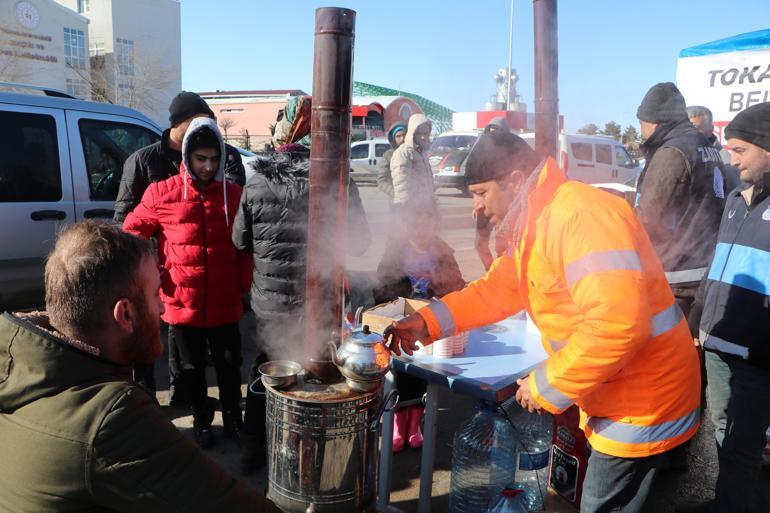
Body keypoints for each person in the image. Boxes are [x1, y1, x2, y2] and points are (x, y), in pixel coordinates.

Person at [385, 129, 702, 513]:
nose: (477, 209)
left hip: (644, 402)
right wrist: (426, 322)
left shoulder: (580, 216)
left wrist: (545, 385)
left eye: (482, 193)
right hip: (616, 391)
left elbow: (617, 324)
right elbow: (496, 290)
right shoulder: (536, 223)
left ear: (516, 181)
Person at [0, 220, 280, 513]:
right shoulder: (110, 415)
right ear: (125, 314)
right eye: (156, 294)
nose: (162, 308)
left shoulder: (17, 362)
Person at [232, 107, 371, 473]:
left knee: (265, 373)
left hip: (271, 305)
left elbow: (240, 240)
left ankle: (253, 450)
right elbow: (360, 243)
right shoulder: (337, 179)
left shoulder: (257, 180)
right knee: (316, 377)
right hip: (319, 306)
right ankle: (307, 461)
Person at [123, 118, 252, 450]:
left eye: (213, 159)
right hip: (182, 302)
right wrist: (154, 273)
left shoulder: (235, 195)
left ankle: (234, 420)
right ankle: (202, 419)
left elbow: (244, 247)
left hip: (226, 300)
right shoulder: (162, 192)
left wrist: (245, 285)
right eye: (200, 159)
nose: (208, 167)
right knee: (190, 367)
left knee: (229, 364)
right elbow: (132, 231)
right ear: (187, 157)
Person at [695, 102, 770, 513]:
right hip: (718, 339)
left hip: (758, 355)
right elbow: (717, 264)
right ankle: (729, 500)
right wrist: (700, 319)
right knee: (723, 430)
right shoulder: (736, 198)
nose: (731, 158)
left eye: (740, 150)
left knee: (744, 443)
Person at [373, 212, 465, 451]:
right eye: (415, 223)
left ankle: (415, 424)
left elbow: (457, 288)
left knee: (424, 376)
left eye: (427, 222)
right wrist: (400, 299)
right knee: (400, 377)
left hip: (430, 326)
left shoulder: (443, 253)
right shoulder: (396, 253)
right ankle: (395, 422)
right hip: (401, 324)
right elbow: (381, 288)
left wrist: (438, 292)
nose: (420, 229)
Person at [636, 83, 726, 319]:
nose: (641, 130)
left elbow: (649, 216)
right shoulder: (704, 144)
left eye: (641, 123)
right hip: (703, 264)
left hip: (676, 273)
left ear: (654, 122)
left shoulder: (672, 152)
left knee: (669, 348)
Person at [473, 117, 512, 270]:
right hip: (484, 205)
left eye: (498, 132)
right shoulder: (481, 155)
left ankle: (502, 274)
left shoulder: (512, 154)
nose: (493, 135)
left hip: (503, 206)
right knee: (479, 243)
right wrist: (476, 203)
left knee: (502, 246)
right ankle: (491, 271)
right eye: (491, 131)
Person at [687, 104, 741, 192]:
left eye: (695, 127)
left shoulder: (725, 161)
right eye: (685, 128)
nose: (688, 132)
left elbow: (733, 198)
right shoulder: (679, 154)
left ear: (711, 129)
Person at [390, 113, 435, 215]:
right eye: (420, 133)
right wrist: (405, 210)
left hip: (424, 207)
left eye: (426, 133)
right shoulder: (403, 152)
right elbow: (401, 184)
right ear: (412, 133)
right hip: (410, 209)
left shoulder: (421, 152)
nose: (423, 137)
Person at [377, 123, 406, 200]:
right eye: (398, 136)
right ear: (393, 139)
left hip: (417, 202)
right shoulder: (388, 155)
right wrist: (397, 195)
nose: (402, 139)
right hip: (397, 203)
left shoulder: (414, 153)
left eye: (404, 135)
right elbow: (382, 181)